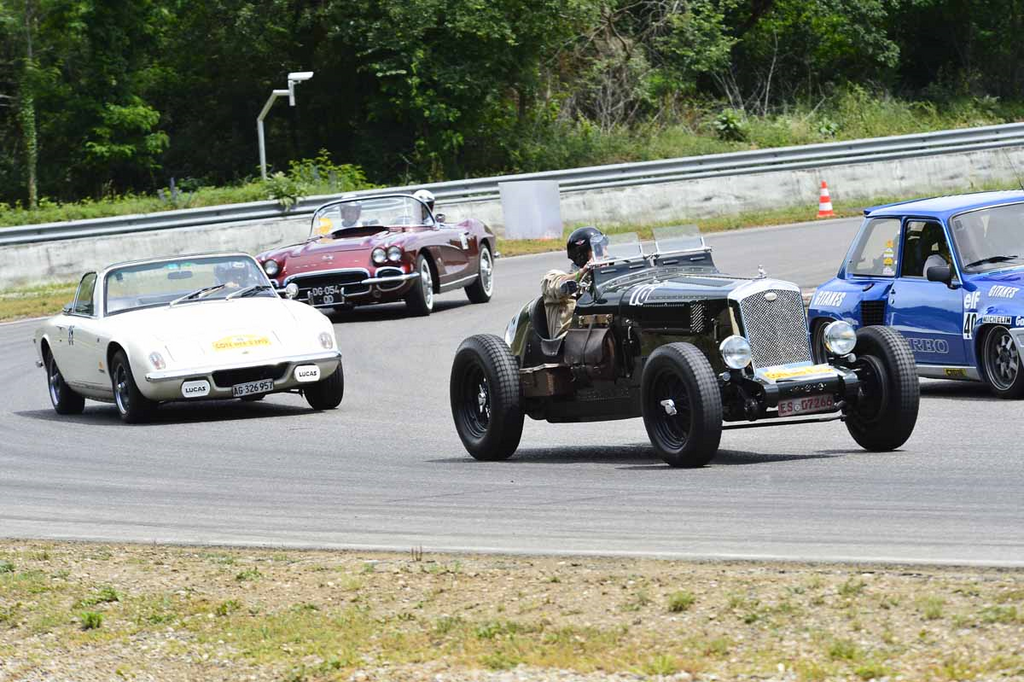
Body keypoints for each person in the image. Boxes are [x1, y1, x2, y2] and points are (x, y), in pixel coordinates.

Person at [541, 226, 607, 338]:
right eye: (598, 249)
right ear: (582, 255)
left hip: (602, 334)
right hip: (570, 339)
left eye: (605, 247)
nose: (605, 254)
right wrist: (582, 272)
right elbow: (557, 285)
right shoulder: (553, 277)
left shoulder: (605, 278)